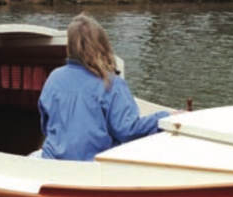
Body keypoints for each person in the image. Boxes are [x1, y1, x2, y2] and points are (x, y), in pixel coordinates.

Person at [38, 13, 171, 161]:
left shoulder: (54, 78)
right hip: (93, 166)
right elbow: (127, 131)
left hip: (51, 162)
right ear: (102, 45)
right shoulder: (111, 83)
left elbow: (46, 126)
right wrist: (165, 117)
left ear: (69, 48)